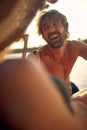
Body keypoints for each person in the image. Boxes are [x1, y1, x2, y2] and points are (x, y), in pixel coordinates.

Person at [28, 9, 87, 95]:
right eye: (46, 27)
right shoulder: (38, 57)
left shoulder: (75, 47)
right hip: (53, 100)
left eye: (55, 24)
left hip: (72, 90)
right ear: (43, 34)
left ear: (65, 28)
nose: (52, 30)